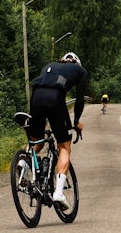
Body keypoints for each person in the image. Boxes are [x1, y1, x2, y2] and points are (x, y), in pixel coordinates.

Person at [28, 52, 87, 210]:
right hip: (55, 99)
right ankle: (59, 193)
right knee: (64, 146)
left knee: (37, 141)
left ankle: (23, 163)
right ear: (76, 63)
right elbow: (80, 100)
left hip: (35, 98)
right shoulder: (80, 71)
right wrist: (76, 122)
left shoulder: (49, 65)